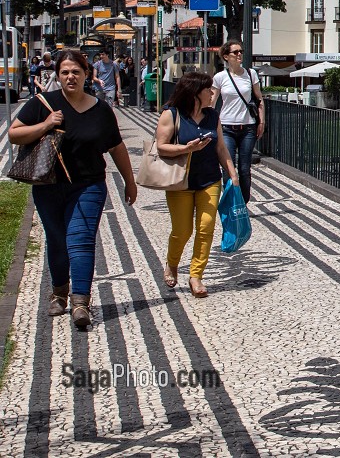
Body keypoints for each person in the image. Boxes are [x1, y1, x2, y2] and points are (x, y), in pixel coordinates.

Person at [7, 49, 137, 329]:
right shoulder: (43, 103)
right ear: (58, 75)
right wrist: (45, 124)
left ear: (86, 74)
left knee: (80, 240)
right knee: (57, 240)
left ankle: (81, 302)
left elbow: (116, 146)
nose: (70, 77)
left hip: (88, 185)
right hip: (48, 185)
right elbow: (15, 133)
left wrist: (130, 180)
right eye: (64, 72)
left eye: (75, 72)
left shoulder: (101, 109)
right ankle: (59, 293)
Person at [154, 71, 237, 298]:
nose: (212, 93)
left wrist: (232, 174)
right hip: (180, 181)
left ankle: (196, 275)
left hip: (210, 179)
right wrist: (186, 149)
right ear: (194, 92)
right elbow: (160, 146)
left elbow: (221, 148)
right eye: (208, 90)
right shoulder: (172, 114)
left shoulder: (213, 116)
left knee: (206, 227)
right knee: (182, 230)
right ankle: (172, 264)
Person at [212, 40, 263, 202]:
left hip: (248, 127)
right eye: (235, 52)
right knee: (227, 167)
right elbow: (211, 102)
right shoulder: (220, 77)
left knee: (244, 168)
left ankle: (244, 203)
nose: (239, 54)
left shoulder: (251, 74)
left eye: (241, 51)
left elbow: (259, 99)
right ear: (226, 56)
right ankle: (231, 202)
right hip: (226, 126)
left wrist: (261, 121)